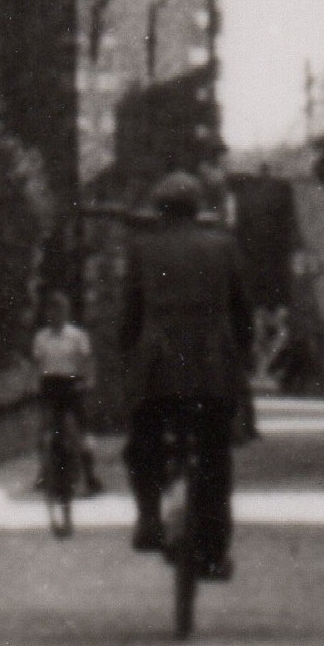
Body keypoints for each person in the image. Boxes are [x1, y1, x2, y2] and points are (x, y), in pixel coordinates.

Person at [112, 171, 249, 584]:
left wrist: (127, 356)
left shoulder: (143, 249)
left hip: (159, 368)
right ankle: (214, 553)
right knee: (215, 459)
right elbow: (243, 313)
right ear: (197, 209)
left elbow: (129, 316)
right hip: (212, 368)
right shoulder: (224, 247)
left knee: (142, 445)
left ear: (159, 209)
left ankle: (150, 519)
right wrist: (238, 357)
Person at [28, 291, 99, 528]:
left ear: (66, 313)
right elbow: (37, 365)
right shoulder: (41, 338)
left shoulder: (77, 336)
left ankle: (90, 476)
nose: (54, 315)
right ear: (47, 314)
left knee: (81, 431)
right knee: (44, 430)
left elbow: (87, 361)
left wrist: (88, 381)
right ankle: (43, 472)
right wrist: (36, 384)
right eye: (51, 311)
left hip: (72, 385)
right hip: (50, 386)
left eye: (59, 311)